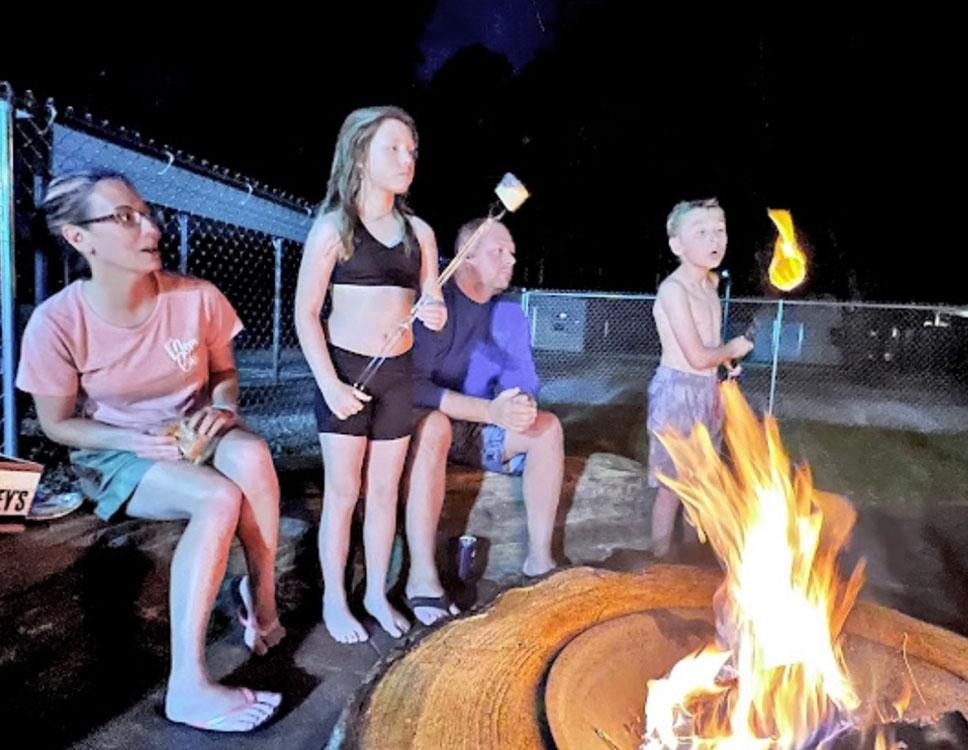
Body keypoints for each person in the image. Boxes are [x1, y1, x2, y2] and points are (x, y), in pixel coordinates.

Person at [17, 170, 283, 732]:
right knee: (217, 500)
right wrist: (125, 438)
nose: (150, 226)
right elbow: (58, 424)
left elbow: (224, 377)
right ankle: (188, 685)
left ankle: (262, 601)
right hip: (117, 451)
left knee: (252, 457)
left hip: (193, 433)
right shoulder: (57, 322)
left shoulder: (197, 298)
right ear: (79, 238)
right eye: (123, 217)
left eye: (144, 211)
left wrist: (225, 408)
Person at [294, 106, 446, 643]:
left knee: (384, 493)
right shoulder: (335, 229)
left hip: (397, 376)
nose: (407, 159)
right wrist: (330, 385)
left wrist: (434, 312)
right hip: (346, 374)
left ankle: (376, 593)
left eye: (412, 151)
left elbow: (434, 304)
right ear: (360, 154)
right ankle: (336, 598)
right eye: (394, 149)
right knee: (343, 493)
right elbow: (306, 314)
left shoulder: (419, 232)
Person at [404, 218, 561, 624]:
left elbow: (523, 385)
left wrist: (518, 405)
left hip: (475, 428)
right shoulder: (438, 305)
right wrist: (489, 411)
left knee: (548, 430)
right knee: (436, 425)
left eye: (511, 252)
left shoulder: (508, 315)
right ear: (466, 257)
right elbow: (414, 390)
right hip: (419, 428)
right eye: (498, 251)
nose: (511, 259)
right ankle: (421, 578)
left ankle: (539, 563)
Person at [648, 198, 754, 557]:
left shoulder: (709, 286)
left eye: (719, 230)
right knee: (672, 484)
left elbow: (709, 348)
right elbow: (694, 355)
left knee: (703, 478)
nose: (714, 239)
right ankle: (659, 556)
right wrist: (730, 350)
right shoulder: (673, 290)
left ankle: (694, 553)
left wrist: (724, 364)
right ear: (677, 245)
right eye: (702, 231)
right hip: (676, 392)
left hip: (707, 390)